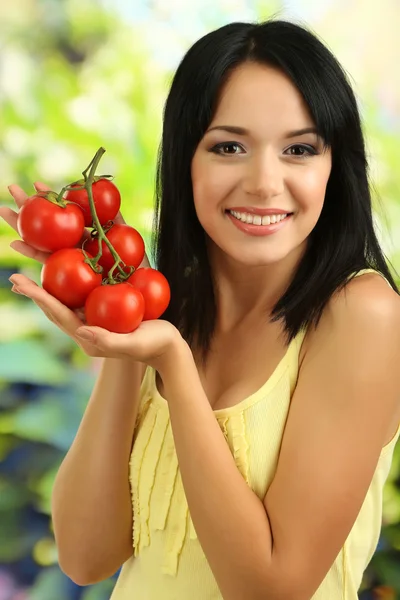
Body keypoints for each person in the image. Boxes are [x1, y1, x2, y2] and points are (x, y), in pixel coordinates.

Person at [1, 17, 400, 600]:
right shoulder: (172, 300)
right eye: (229, 146)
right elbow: (85, 555)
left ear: (333, 167)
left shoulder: (363, 316)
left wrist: (174, 363)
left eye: (299, 149)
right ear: (185, 158)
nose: (265, 182)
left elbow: (272, 590)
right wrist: (120, 336)